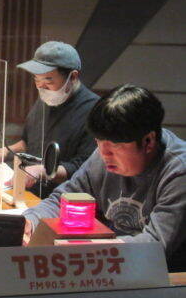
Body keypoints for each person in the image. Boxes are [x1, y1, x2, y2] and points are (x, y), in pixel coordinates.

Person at [23, 84, 186, 272]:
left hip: (164, 276)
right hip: (112, 266)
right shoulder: (102, 157)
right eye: (98, 142)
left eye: (115, 145)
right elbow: (62, 200)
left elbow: (155, 244)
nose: (103, 153)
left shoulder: (178, 170)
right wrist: (30, 221)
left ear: (148, 141)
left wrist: (88, 250)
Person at [0, 41, 99, 197]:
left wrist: (42, 170)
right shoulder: (49, 98)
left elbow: (85, 167)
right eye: (36, 80)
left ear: (73, 77)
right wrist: (7, 150)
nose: (41, 87)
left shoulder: (94, 111)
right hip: (31, 193)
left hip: (65, 198)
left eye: (48, 81)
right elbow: (30, 141)